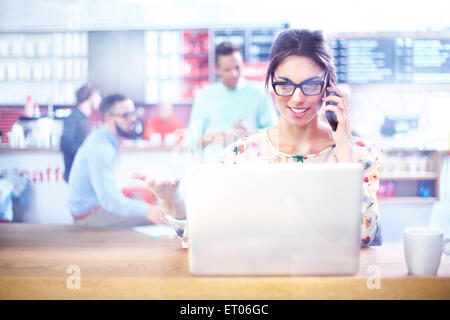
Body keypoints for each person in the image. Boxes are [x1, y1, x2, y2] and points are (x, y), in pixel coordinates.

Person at [137, 29, 383, 247]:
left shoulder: (361, 154)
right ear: (271, 86)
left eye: (310, 85)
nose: (297, 98)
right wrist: (174, 203)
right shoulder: (239, 157)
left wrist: (343, 146)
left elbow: (364, 235)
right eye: (284, 84)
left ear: (329, 87)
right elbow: (206, 238)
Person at [68, 94, 170, 228]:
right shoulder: (100, 148)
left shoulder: (105, 139)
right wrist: (148, 210)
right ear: (109, 118)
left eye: (133, 113)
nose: (133, 119)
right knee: (155, 220)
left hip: (94, 208)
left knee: (153, 214)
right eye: (126, 115)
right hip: (89, 215)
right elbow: (109, 201)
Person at [187, 41, 278, 162]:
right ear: (217, 69)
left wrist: (250, 133)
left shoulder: (259, 94)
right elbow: (192, 140)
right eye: (227, 69)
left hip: (251, 167)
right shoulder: (204, 96)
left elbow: (275, 136)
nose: (234, 74)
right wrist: (213, 137)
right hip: (214, 168)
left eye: (237, 67)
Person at [60, 83, 102, 181]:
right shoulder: (73, 118)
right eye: (97, 96)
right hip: (76, 174)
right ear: (90, 97)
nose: (100, 99)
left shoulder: (83, 118)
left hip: (82, 173)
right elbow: (66, 145)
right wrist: (89, 152)